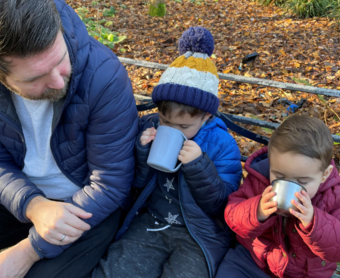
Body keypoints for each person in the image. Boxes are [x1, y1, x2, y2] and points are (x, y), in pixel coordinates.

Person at [0, 0, 138, 277]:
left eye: (60, 60)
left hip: (88, 208)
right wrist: (34, 206)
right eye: (35, 79)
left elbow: (111, 183)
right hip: (17, 194)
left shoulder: (104, 75)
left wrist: (30, 250)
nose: (59, 82)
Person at [92, 26, 242, 278]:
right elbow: (136, 183)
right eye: (165, 121)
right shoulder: (150, 125)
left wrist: (198, 166)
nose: (172, 130)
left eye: (184, 126)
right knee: (114, 270)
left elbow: (221, 205)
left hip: (199, 233)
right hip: (152, 220)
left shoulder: (222, 144)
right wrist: (142, 152)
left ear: (206, 116)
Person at [216, 115, 340, 278]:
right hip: (253, 261)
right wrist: (257, 211)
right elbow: (232, 215)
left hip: (305, 273)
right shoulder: (259, 180)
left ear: (324, 175)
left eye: (302, 181)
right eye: (279, 176)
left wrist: (314, 221)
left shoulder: (336, 197)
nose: (290, 186)